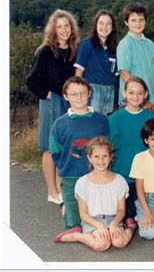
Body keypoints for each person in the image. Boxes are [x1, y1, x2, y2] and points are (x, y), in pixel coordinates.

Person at [26, 9, 80, 205]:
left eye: (67, 25)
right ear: (53, 29)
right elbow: (31, 81)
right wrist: (47, 94)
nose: (64, 30)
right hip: (52, 102)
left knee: (65, 146)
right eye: (59, 26)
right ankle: (52, 191)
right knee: (50, 147)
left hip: (70, 102)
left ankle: (62, 189)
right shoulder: (46, 51)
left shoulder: (74, 50)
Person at [53, 137, 136, 251]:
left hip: (113, 218)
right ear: (89, 158)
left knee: (119, 242)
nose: (101, 161)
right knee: (102, 245)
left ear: (111, 157)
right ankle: (78, 235)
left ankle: (131, 227)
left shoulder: (119, 181)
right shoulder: (83, 183)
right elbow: (83, 214)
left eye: (105, 156)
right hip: (92, 221)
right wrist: (99, 226)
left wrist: (114, 224)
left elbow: (121, 210)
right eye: (96, 156)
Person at [49, 77, 109, 229]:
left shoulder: (101, 120)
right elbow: (55, 152)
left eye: (82, 93)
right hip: (71, 175)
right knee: (74, 224)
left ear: (89, 93)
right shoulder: (60, 123)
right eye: (74, 94)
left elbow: (107, 146)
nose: (79, 97)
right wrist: (65, 165)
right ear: (66, 96)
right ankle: (65, 206)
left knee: (98, 220)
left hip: (97, 175)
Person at [109, 77, 154, 220]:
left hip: (145, 176)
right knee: (127, 215)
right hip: (123, 174)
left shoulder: (150, 116)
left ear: (145, 94)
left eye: (140, 93)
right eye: (131, 92)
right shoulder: (115, 118)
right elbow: (110, 147)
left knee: (144, 215)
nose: (135, 97)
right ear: (124, 93)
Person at [117, 3, 154, 110]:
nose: (138, 23)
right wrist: (142, 101)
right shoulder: (125, 44)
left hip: (150, 103)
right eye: (133, 20)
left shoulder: (150, 44)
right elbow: (124, 73)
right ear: (126, 22)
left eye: (141, 19)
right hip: (132, 102)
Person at [74, 9, 118, 116]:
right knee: (92, 122)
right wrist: (79, 93)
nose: (104, 27)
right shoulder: (87, 43)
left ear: (112, 27)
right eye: (101, 23)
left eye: (108, 24)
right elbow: (78, 72)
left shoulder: (114, 48)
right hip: (93, 90)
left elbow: (115, 74)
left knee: (105, 123)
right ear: (95, 25)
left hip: (110, 90)